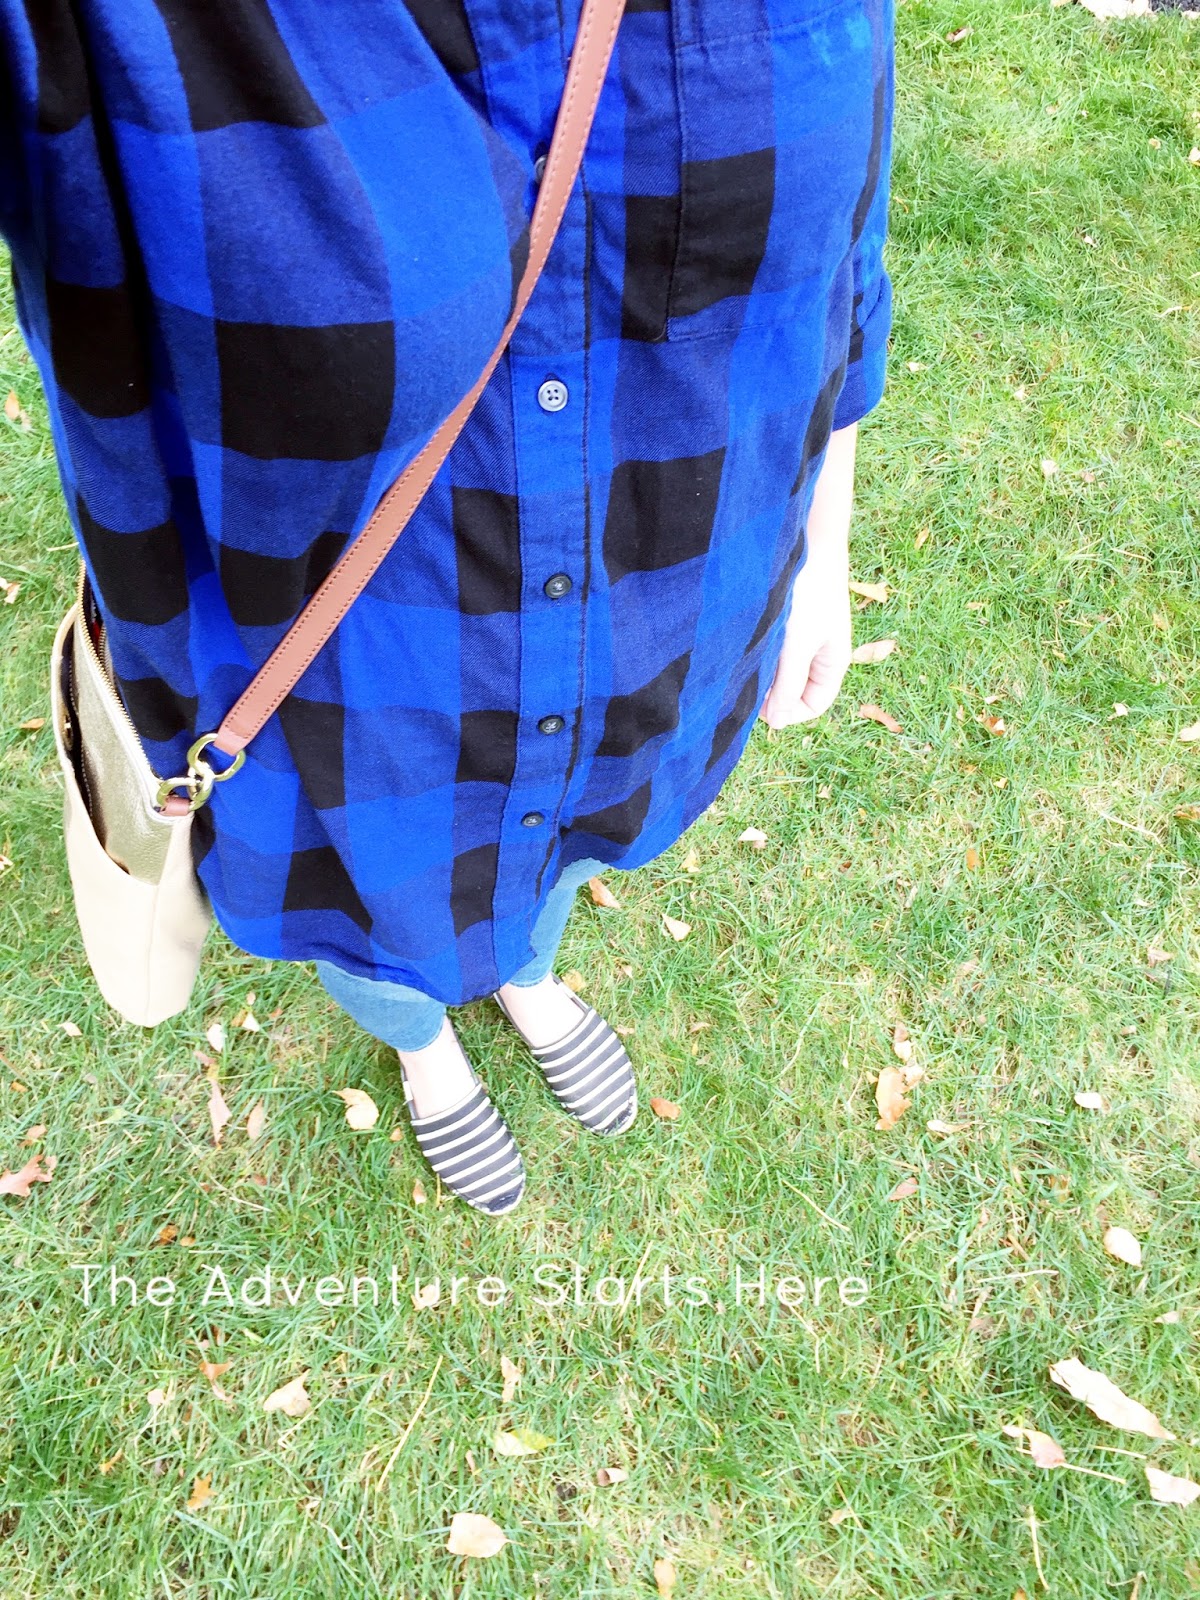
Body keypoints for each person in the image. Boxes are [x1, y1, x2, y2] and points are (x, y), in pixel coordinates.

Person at [0, 0, 893, 1214]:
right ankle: (424, 1050)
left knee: (573, 832)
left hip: (660, 598)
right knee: (371, 897)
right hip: (345, 662)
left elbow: (845, 230)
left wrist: (824, 529)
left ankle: (526, 971)